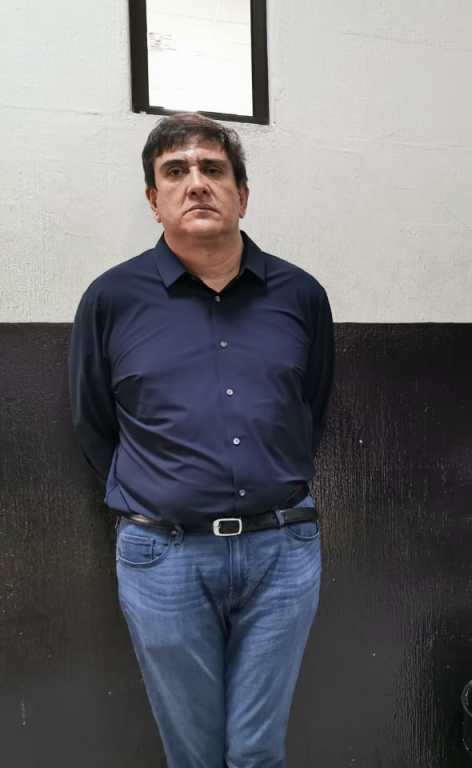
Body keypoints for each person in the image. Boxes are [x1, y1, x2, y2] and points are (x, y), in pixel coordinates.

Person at [69, 112, 335, 768]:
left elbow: (311, 407)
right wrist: (164, 491)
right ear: (153, 198)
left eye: (213, 169)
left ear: (242, 194)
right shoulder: (111, 300)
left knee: (256, 751)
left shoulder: (300, 295)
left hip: (282, 554)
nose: (196, 183)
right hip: (165, 558)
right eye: (176, 172)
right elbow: (94, 422)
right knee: (193, 756)